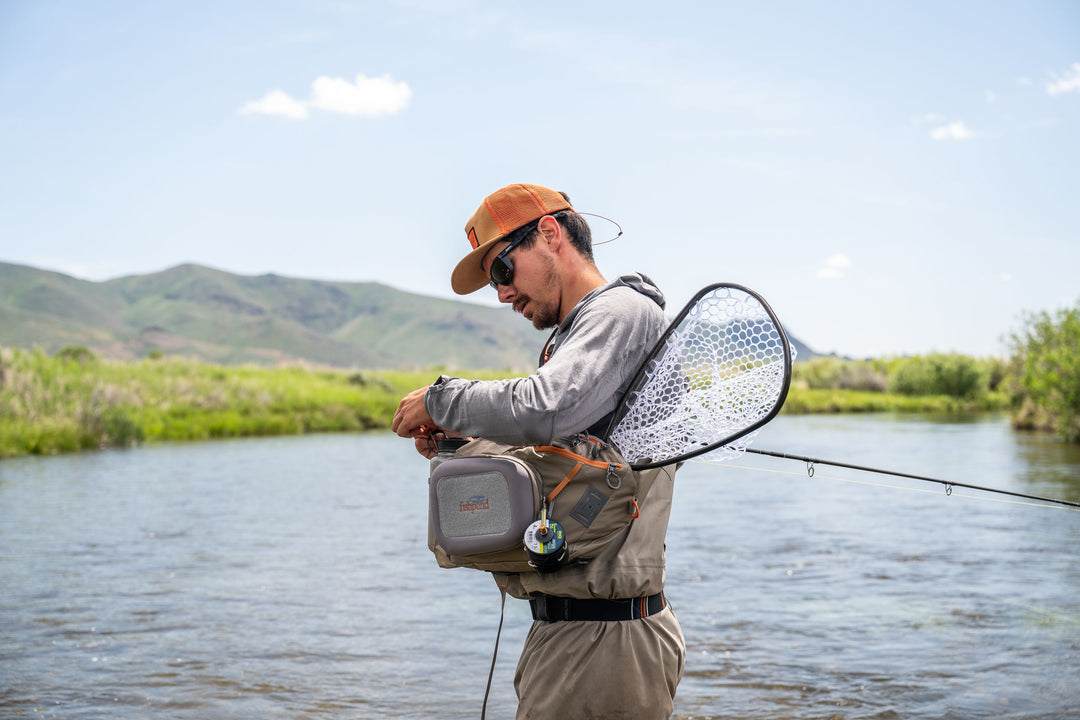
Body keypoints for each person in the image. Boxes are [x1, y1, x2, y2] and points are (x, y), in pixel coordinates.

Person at [391, 183, 685, 719]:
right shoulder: (585, 329)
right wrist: (456, 440)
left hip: (604, 641)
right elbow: (564, 443)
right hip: (579, 634)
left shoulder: (620, 311)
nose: (502, 294)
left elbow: (546, 408)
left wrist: (441, 398)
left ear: (550, 234)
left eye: (502, 271)